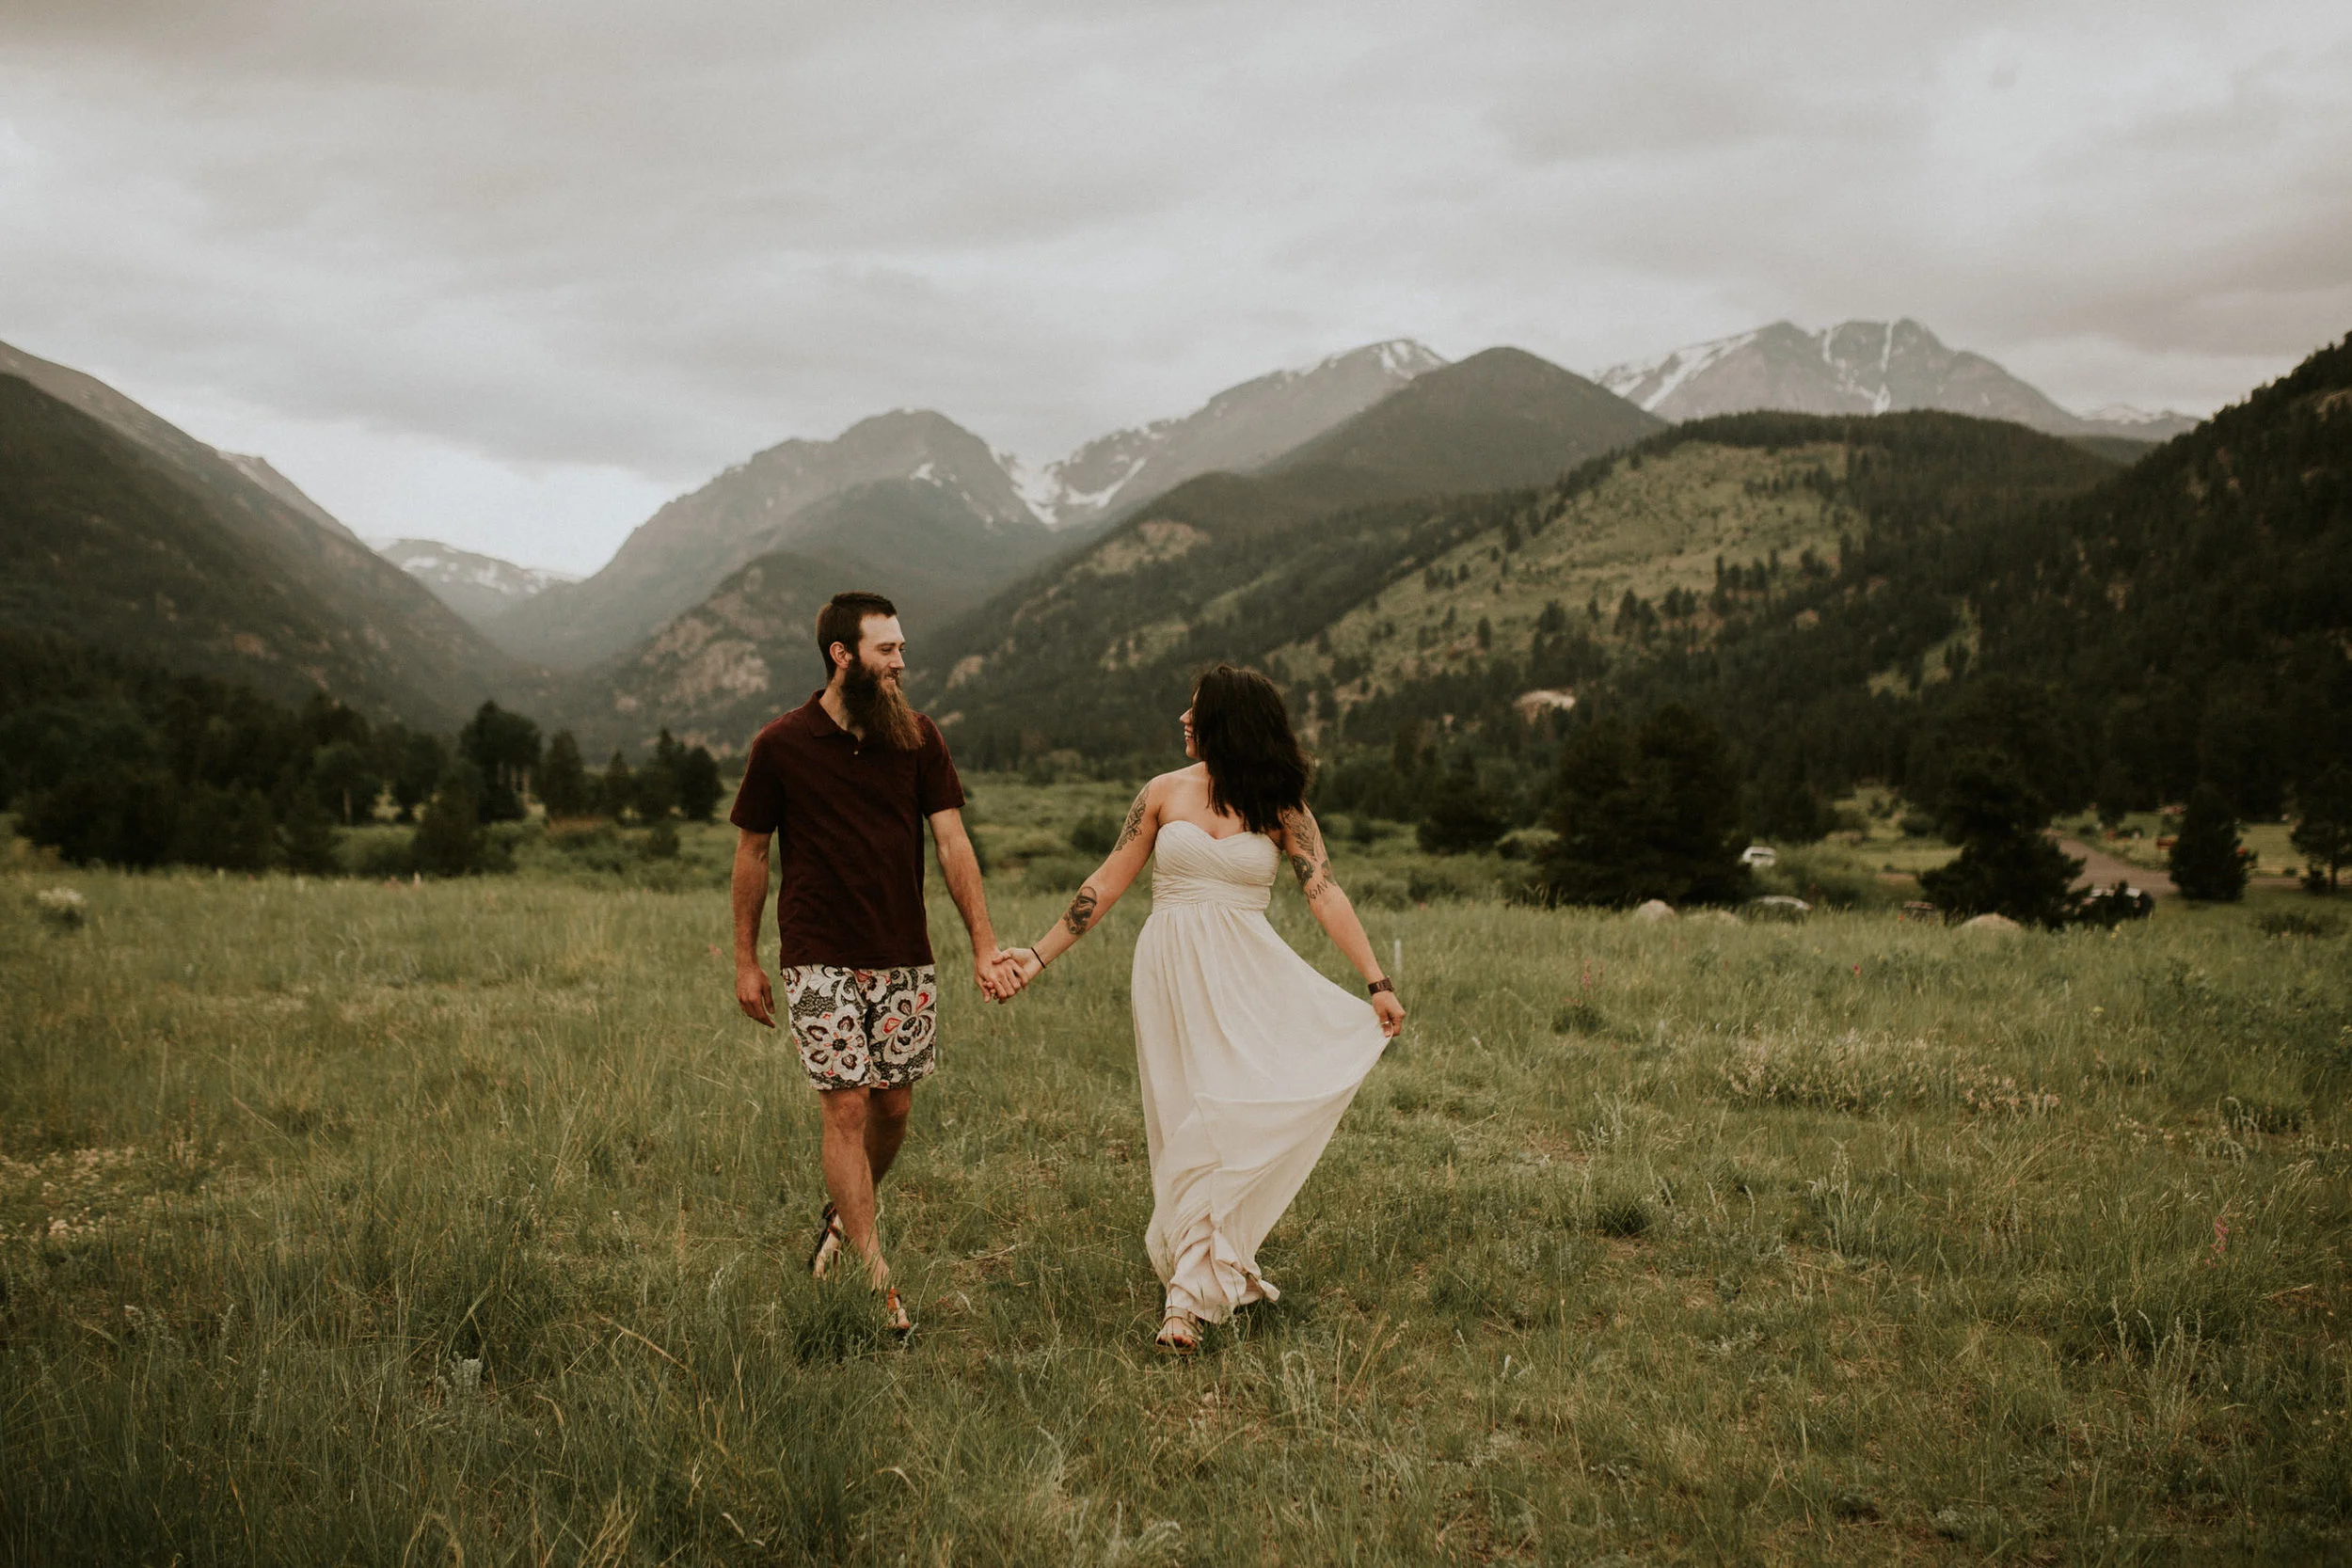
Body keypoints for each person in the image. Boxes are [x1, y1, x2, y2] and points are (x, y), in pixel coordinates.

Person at [1001, 664, 1405, 1352]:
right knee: (1186, 1115)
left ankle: (1187, 1296)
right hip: (1168, 971)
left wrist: (1375, 979)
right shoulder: (1161, 793)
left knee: (1230, 1112)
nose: (1183, 723)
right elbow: (1105, 881)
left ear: (1225, 723)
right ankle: (1194, 1284)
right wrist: (1035, 957)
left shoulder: (1281, 805)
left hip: (1248, 972)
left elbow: (1325, 892)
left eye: (1194, 713)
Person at [730, 590, 1021, 1334]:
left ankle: (840, 1216)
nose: (901, 661)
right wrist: (746, 959)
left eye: (900, 648)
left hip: (902, 952)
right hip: (818, 954)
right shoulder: (781, 745)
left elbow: (954, 845)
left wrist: (984, 944)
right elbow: (753, 853)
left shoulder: (918, 738)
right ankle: (874, 1275)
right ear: (842, 655)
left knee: (893, 1105)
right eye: (887, 649)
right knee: (848, 1102)